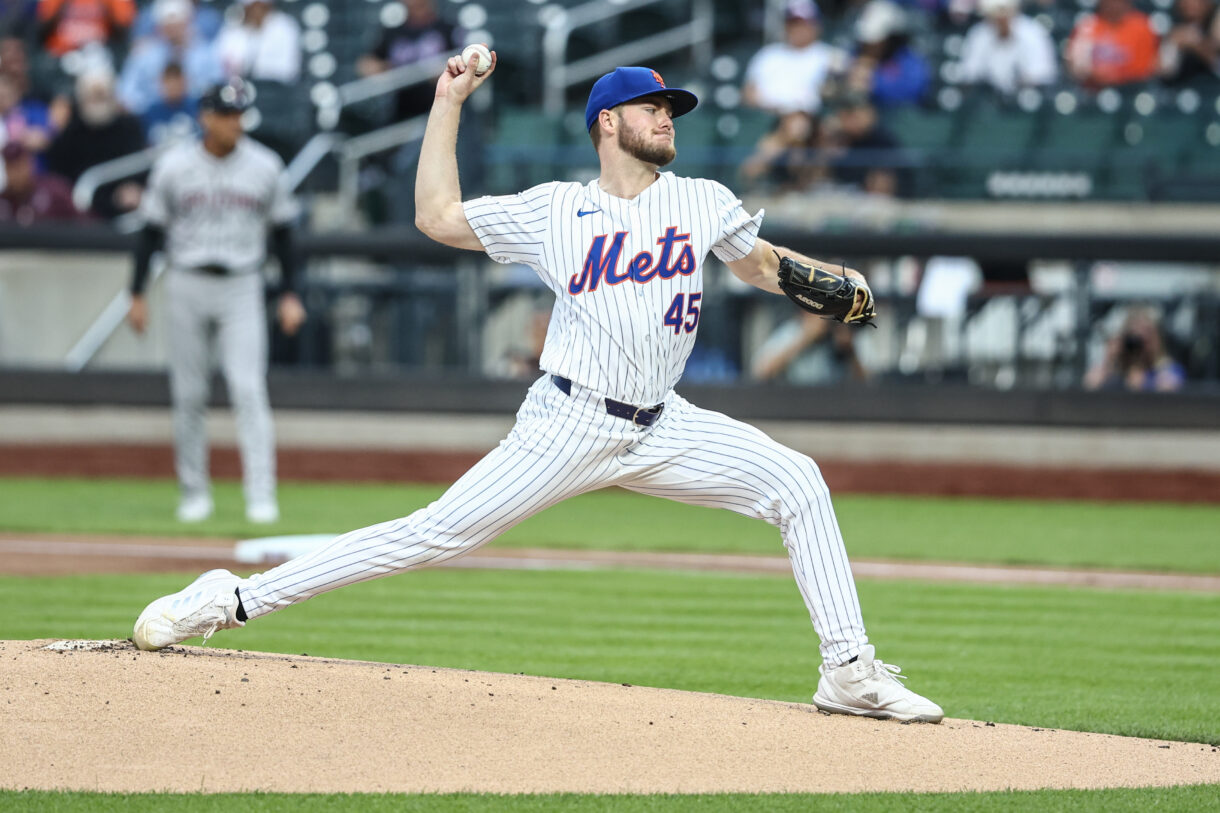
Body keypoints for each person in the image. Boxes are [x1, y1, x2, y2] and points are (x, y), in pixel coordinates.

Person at [131, 58, 944, 725]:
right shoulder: (556, 211)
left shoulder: (702, 199)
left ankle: (847, 671)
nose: (667, 118)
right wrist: (447, 100)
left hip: (665, 424)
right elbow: (437, 216)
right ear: (607, 124)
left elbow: (758, 262)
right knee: (430, 534)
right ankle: (230, 599)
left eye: (671, 108)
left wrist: (823, 284)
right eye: (651, 107)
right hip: (567, 421)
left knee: (797, 480)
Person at [125, 78, 306, 524]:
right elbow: (150, 231)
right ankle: (194, 493)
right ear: (205, 116)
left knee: (249, 390)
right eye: (226, 114)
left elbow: (285, 234)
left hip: (242, 283)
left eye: (240, 114)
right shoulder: (174, 166)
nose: (234, 122)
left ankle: (261, 496)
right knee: (189, 394)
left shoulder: (265, 166)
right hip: (186, 279)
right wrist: (136, 292)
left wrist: (290, 293)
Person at [44, 67, 145, 218]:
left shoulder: (130, 128)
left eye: (102, 95)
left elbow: (140, 166)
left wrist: (134, 187)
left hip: (122, 210)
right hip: (79, 212)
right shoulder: (70, 134)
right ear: (82, 98)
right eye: (93, 96)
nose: (98, 102)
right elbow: (59, 175)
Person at [357, 0, 460, 123]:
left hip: (440, 105)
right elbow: (366, 63)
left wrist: (444, 70)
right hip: (403, 109)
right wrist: (384, 69)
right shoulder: (393, 32)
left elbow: (460, 61)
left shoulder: (446, 28)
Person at [117, 0, 222, 116]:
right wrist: (149, 108)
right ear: (159, 28)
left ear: (187, 23)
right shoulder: (144, 55)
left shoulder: (205, 53)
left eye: (177, 25)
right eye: (168, 26)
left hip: (197, 114)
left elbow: (216, 86)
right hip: (152, 117)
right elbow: (127, 92)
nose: (173, 31)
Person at [958, 0, 1058, 96]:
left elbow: (1042, 74)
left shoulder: (1033, 33)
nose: (1000, 18)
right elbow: (969, 74)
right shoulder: (979, 34)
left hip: (1024, 97)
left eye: (1004, 11)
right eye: (995, 13)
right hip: (988, 100)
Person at [751, 311, 868, 384]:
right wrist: (805, 338)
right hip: (794, 400)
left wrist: (849, 351)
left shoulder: (840, 332)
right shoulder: (792, 331)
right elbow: (761, 372)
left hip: (835, 403)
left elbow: (869, 381)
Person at [1084, 308, 1185, 392]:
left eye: (1147, 335)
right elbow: (1091, 384)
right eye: (1134, 337)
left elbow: (1170, 386)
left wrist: (1146, 382)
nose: (1139, 345)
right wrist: (1109, 361)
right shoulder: (1116, 370)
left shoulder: (1168, 368)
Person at [852, 0, 930, 108]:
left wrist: (874, 84)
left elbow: (913, 91)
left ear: (890, 37)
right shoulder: (857, 52)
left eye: (875, 41)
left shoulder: (908, 60)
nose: (869, 45)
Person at [1066, 0, 1159, 90]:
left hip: (1131, 90)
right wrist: (1095, 73)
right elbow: (1076, 66)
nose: (1113, 4)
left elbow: (1145, 69)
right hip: (1093, 90)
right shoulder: (1087, 25)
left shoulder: (1141, 26)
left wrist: (1115, 74)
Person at [215, 0, 300, 84]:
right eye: (252, 7)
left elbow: (288, 70)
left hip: (276, 89)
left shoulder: (285, 26)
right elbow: (226, 66)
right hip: (242, 87)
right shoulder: (232, 29)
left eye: (260, 6)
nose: (256, 11)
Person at [0, 141, 82, 223]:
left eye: (19, 166)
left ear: (30, 164)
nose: (15, 173)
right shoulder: (3, 200)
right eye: (10, 167)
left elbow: (82, 223)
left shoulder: (54, 190)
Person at [36, 0, 133, 58]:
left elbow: (123, 26)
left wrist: (107, 6)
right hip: (60, 54)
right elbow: (43, 24)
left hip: (100, 55)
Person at [1159, 0, 1220, 86]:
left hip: (1213, 87)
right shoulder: (1175, 28)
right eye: (1186, 3)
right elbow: (1164, 71)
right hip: (1180, 87)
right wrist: (1173, 45)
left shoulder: (1215, 22)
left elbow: (1216, 63)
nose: (1191, 7)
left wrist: (1197, 45)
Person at [141, 60, 198, 144]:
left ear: (184, 81)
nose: (173, 86)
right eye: (169, 81)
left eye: (177, 80)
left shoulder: (196, 106)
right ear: (162, 82)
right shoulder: (151, 112)